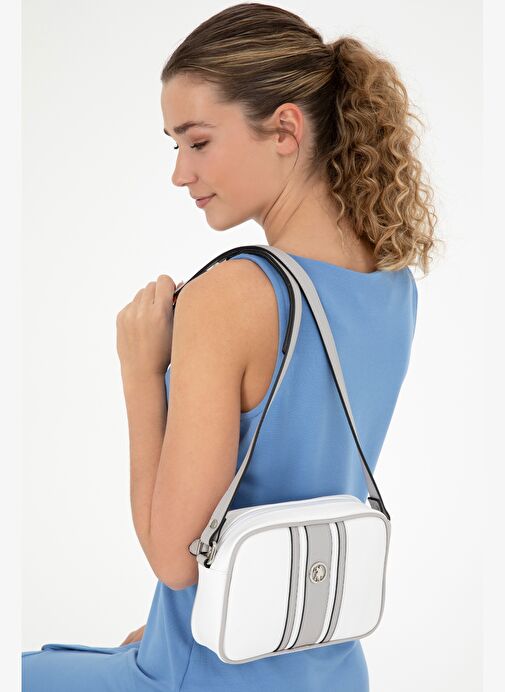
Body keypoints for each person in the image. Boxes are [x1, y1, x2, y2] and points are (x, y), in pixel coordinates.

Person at [22, 3, 439, 691]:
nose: (180, 173)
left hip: (207, 673)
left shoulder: (232, 295)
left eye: (198, 142)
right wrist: (165, 627)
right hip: (327, 667)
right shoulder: (392, 284)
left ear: (285, 129)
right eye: (174, 146)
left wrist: (138, 369)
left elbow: (175, 562)